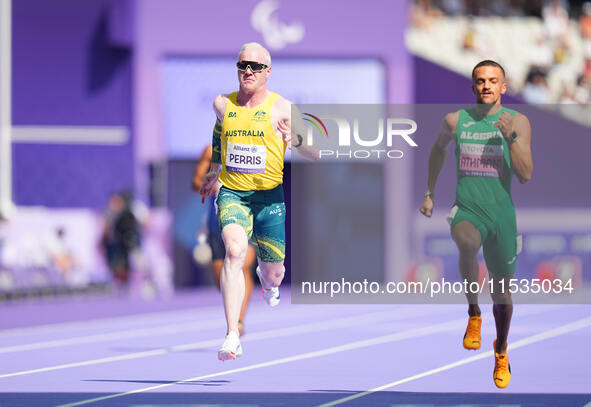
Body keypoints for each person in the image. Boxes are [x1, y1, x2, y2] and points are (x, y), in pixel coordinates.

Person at [200, 42, 317, 361]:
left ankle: (269, 283)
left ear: (267, 72)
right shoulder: (222, 103)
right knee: (234, 252)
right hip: (233, 193)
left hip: (269, 199)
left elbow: (314, 152)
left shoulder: (284, 108)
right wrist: (214, 171)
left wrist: (293, 140)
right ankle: (232, 334)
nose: (247, 71)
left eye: (254, 66)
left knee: (273, 271)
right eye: (242, 65)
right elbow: (218, 133)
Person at [420, 60, 533, 388]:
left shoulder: (518, 122)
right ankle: (473, 313)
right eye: (480, 81)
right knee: (467, 243)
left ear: (503, 87)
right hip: (467, 209)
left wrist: (509, 136)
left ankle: (501, 348)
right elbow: (437, 152)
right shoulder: (456, 121)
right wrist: (429, 192)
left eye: (492, 81)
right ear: (473, 87)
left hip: (501, 216)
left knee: (502, 294)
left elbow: (525, 174)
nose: (486, 85)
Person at [192, 144, 256, 336]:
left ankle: (238, 321)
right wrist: (214, 183)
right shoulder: (211, 151)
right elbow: (196, 182)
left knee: (242, 264)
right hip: (217, 219)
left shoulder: (252, 146)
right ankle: (235, 310)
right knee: (221, 276)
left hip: (245, 214)